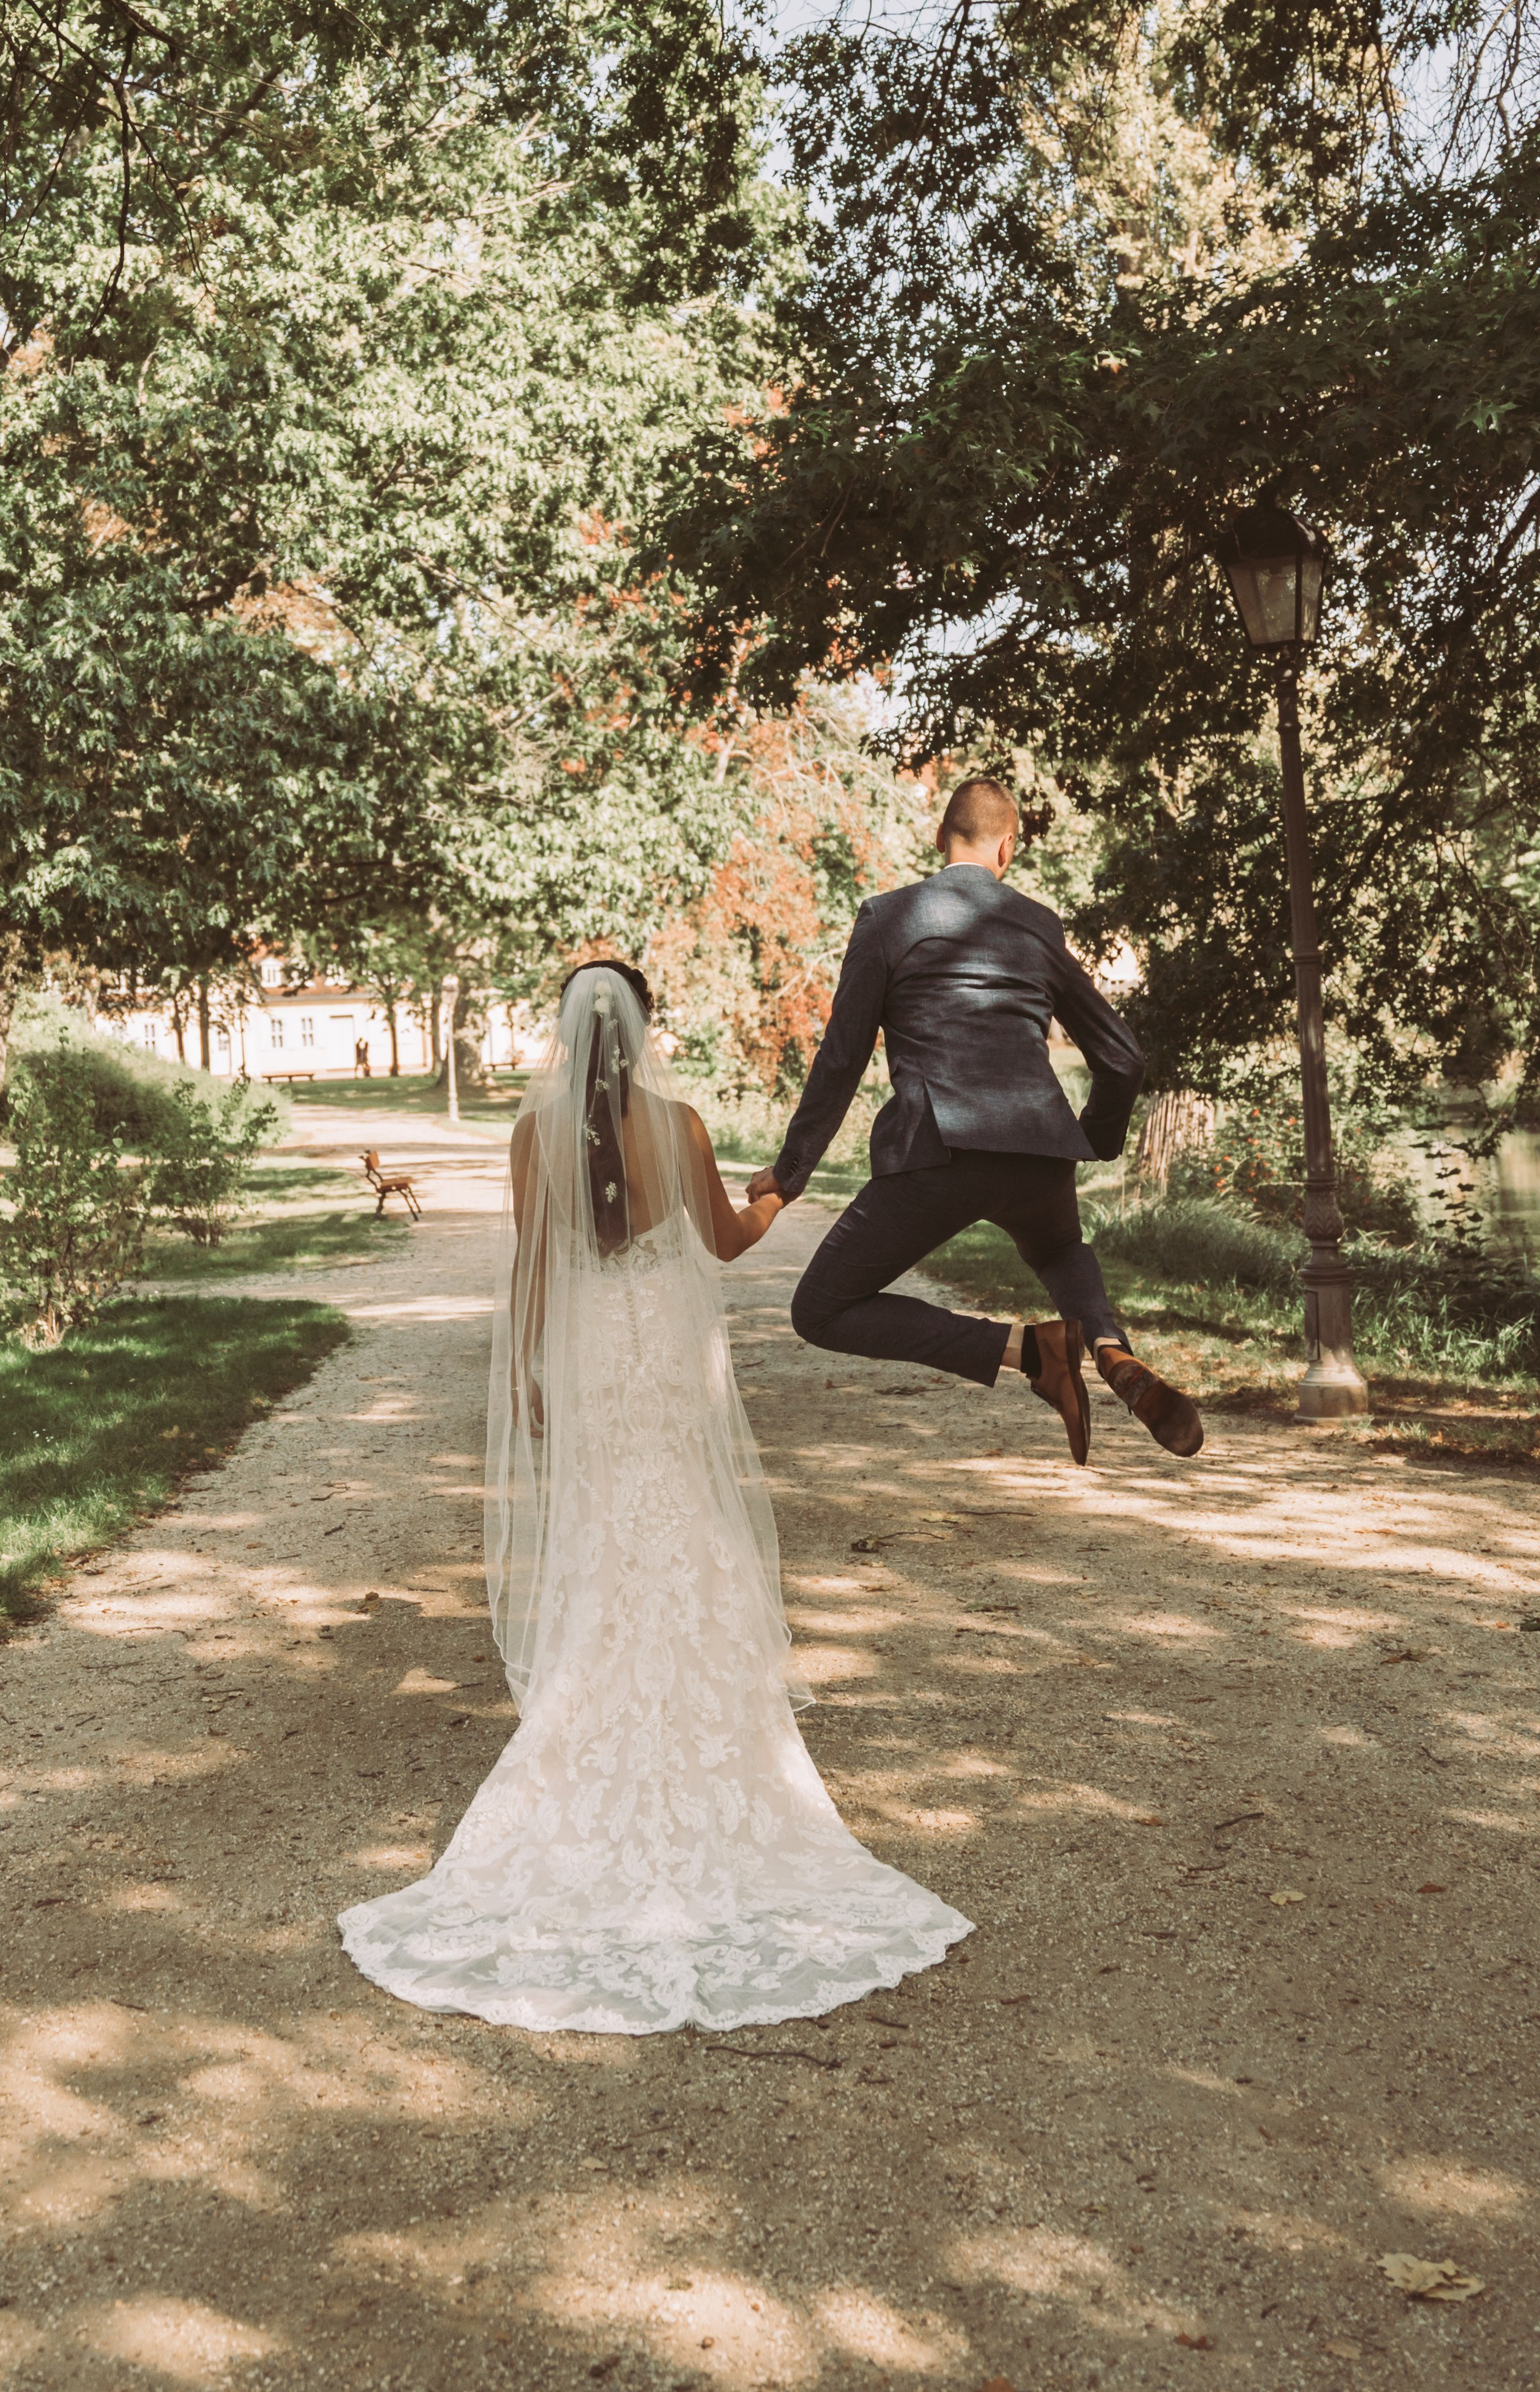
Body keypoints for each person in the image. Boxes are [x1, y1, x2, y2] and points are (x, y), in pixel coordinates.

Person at [338, 961, 972, 2033]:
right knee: (683, 1520)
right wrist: (771, 1195)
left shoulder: (533, 1137)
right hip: (664, 1362)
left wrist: (527, 1369)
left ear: (568, 1039)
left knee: (600, 1530)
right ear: (643, 1034)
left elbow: (533, 1264)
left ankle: (590, 1691)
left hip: (589, 1352)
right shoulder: (677, 1123)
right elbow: (724, 1241)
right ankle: (713, 1720)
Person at [747, 776, 1203, 1465]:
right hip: (1039, 1146)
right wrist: (1094, 1141)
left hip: (940, 1146)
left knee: (821, 1308)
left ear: (940, 840)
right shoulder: (1038, 925)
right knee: (1058, 1250)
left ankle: (1032, 1351)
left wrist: (790, 1173)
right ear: (1007, 848)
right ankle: (1108, 1346)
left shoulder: (889, 917)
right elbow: (1124, 1057)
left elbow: (842, 1058)